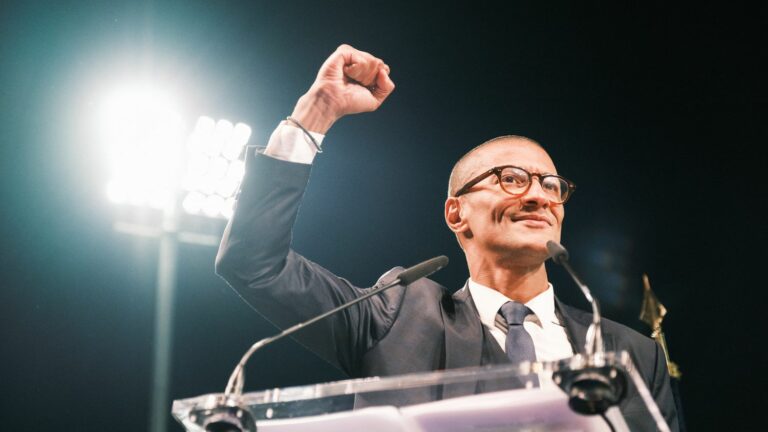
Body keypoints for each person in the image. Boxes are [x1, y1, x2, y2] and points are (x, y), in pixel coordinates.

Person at [215, 44, 679, 430]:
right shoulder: (397, 318)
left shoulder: (632, 354)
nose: (539, 196)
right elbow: (256, 263)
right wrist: (315, 113)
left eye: (551, 185)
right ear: (457, 213)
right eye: (512, 178)